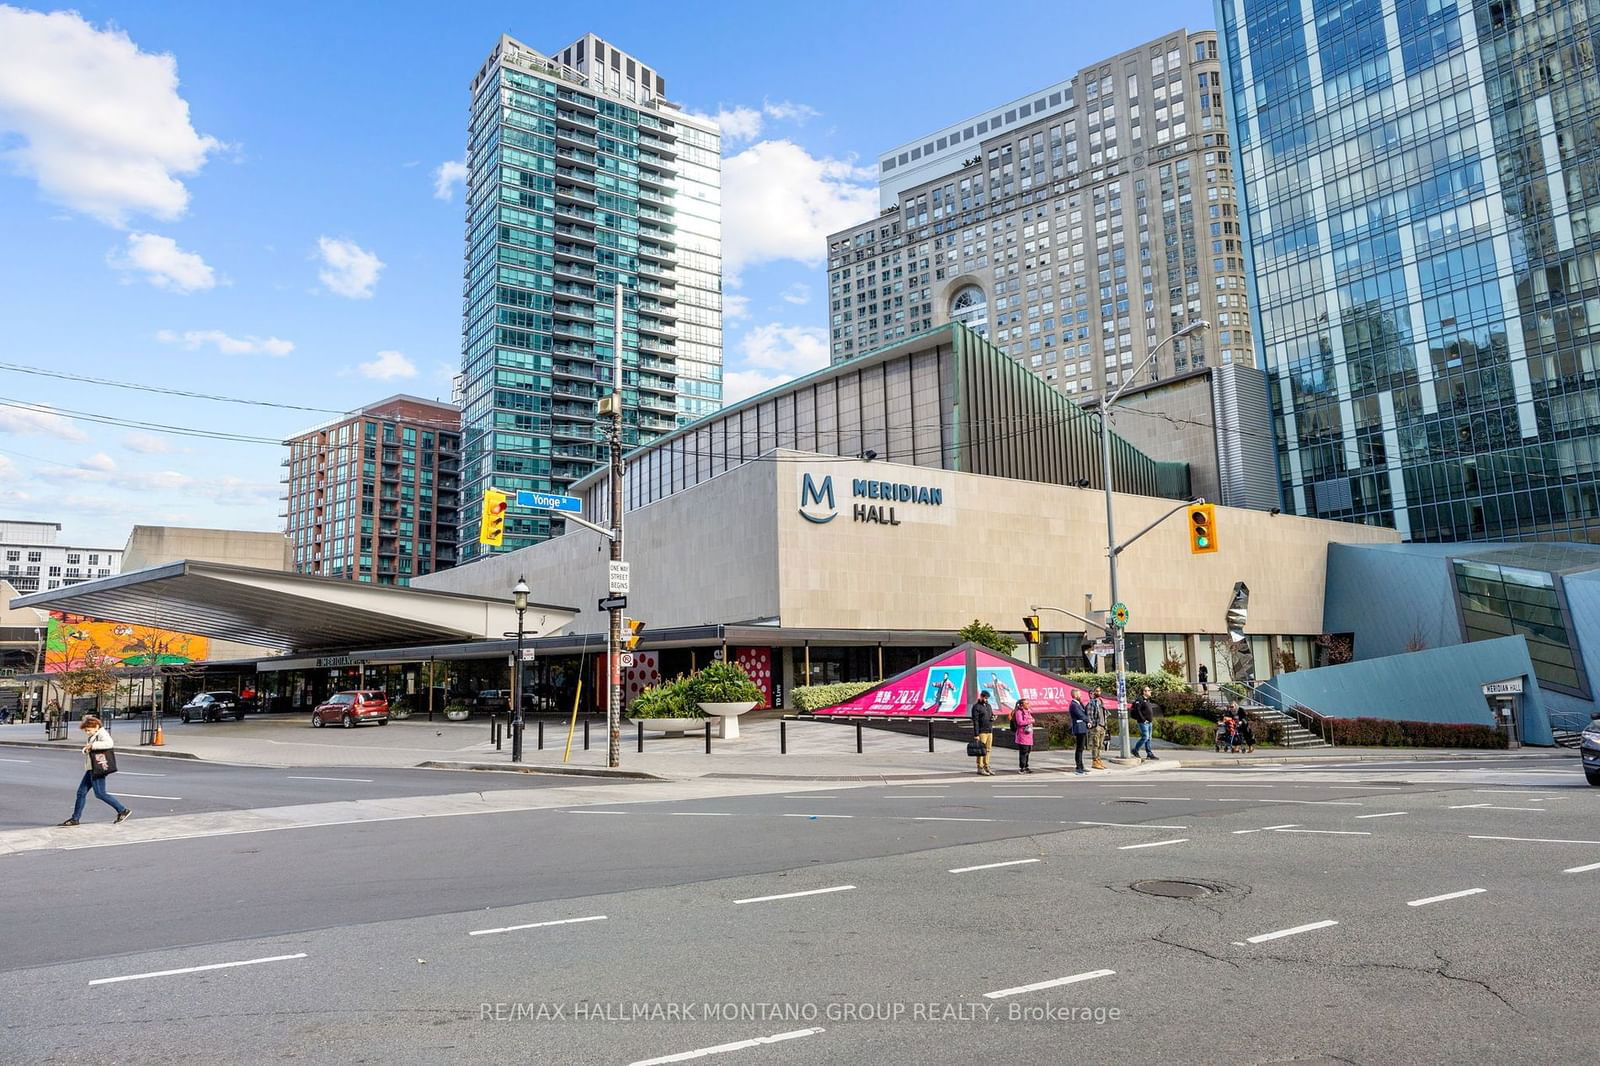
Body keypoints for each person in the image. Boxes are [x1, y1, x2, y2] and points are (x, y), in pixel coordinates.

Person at [59, 715, 131, 827]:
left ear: (96, 726)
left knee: (100, 793)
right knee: (81, 793)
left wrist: (92, 745)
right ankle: (75, 819)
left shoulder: (102, 733)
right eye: (86, 731)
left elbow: (109, 743)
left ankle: (122, 810)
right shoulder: (95, 734)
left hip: (98, 768)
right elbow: (91, 748)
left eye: (89, 730)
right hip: (92, 768)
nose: (87, 732)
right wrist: (87, 748)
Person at [970, 690, 995, 776]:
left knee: (988, 750)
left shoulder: (988, 706)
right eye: (984, 697)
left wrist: (993, 718)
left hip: (989, 730)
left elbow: (990, 716)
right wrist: (976, 734)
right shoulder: (976, 707)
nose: (985, 699)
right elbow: (975, 721)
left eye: (987, 698)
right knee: (981, 750)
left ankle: (986, 766)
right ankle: (980, 767)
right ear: (980, 696)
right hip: (981, 731)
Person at [1130, 686, 1157, 760]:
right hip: (1143, 722)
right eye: (1149, 690)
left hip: (1149, 722)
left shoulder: (1147, 700)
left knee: (1149, 738)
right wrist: (1144, 720)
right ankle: (1135, 750)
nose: (1150, 692)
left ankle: (1149, 754)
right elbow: (1138, 711)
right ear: (1144, 692)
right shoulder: (1140, 699)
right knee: (1145, 737)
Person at [1086, 687, 1108, 770]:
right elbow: (1089, 715)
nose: (1098, 692)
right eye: (1097, 691)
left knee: (1100, 745)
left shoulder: (1101, 701)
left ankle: (1098, 760)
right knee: (1096, 744)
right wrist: (1092, 725)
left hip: (1102, 725)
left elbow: (1104, 713)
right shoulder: (1092, 702)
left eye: (1099, 691)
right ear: (1094, 692)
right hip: (1096, 726)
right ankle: (1094, 761)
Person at [1011, 698, 1035, 774]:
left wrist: (1031, 720)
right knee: (1023, 752)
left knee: (1028, 751)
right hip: (1022, 735)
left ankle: (1026, 766)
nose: (1028, 705)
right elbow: (1020, 722)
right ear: (1022, 705)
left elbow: (1032, 719)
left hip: (1029, 735)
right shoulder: (1018, 712)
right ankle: (1022, 767)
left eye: (1028, 703)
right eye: (1027, 703)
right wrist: (1030, 721)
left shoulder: (1028, 712)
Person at [1069, 693, 1090, 774]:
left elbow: (1084, 712)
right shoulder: (1074, 705)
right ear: (1075, 695)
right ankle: (1078, 766)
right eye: (1079, 695)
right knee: (1079, 748)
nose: (1080, 696)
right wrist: (1088, 720)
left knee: (1081, 748)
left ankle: (1081, 765)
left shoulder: (1079, 703)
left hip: (1082, 727)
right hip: (1079, 728)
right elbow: (1080, 715)